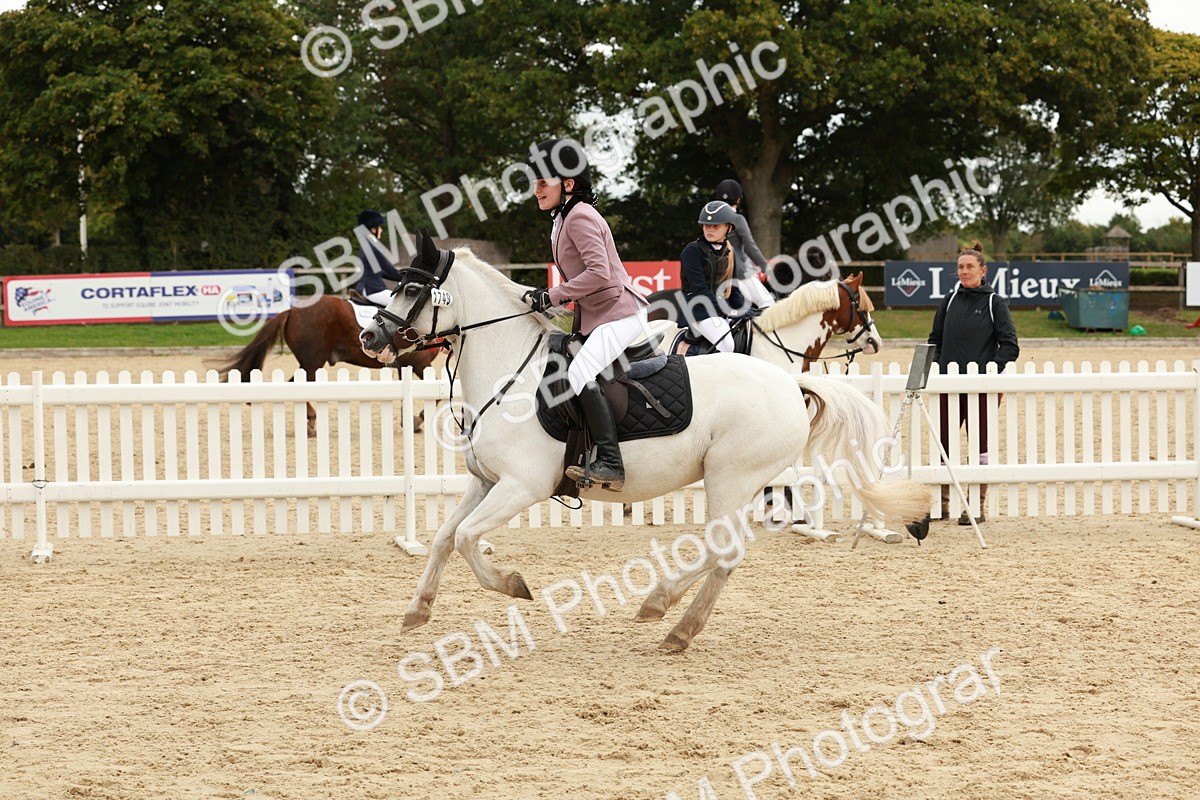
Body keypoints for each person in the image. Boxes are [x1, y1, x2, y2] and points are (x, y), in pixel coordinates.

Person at [521, 139, 649, 492]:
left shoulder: (579, 216)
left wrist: (553, 295)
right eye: (535, 182)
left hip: (620, 314)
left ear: (568, 184)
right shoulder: (563, 217)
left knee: (579, 374)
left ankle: (611, 463)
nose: (537, 189)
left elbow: (600, 273)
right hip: (600, 315)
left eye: (543, 182)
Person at [927, 241, 1020, 524]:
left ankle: (975, 506)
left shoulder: (995, 303)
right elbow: (935, 340)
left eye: (970, 267)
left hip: (981, 389)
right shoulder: (949, 301)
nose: (964, 271)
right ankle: (941, 504)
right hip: (947, 387)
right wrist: (937, 367)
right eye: (960, 267)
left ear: (983, 271)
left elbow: (1010, 345)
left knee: (980, 446)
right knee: (943, 444)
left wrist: (989, 371)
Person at [678, 200, 745, 353]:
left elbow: (733, 289)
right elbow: (700, 290)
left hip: (721, 309)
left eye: (716, 226)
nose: (710, 229)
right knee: (727, 345)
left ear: (729, 228)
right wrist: (728, 310)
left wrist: (744, 309)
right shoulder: (692, 251)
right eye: (706, 225)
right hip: (698, 310)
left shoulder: (730, 252)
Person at [715, 178, 775, 309]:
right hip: (739, 273)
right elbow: (750, 247)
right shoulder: (737, 219)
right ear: (738, 200)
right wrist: (766, 268)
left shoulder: (711, 221)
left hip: (716, 273)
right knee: (768, 303)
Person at [354, 210, 404, 306]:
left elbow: (383, 272)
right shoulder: (373, 246)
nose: (381, 230)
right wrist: (409, 277)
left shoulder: (366, 244)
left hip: (365, 287)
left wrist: (405, 277)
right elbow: (389, 270)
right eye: (379, 227)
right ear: (373, 229)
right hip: (373, 289)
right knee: (403, 304)